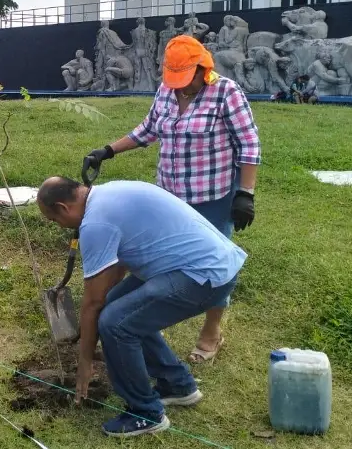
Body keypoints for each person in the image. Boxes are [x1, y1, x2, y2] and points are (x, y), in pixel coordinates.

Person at [85, 35, 260, 365]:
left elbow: (249, 145)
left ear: (202, 69)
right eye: (175, 79)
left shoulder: (226, 92)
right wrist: (108, 150)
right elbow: (148, 130)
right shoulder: (167, 91)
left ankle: (211, 331)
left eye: (187, 79)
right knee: (160, 259)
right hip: (169, 197)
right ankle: (149, 318)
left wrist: (245, 194)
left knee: (212, 266)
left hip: (213, 196)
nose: (181, 87)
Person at [37, 178, 246, 437]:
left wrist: (85, 361)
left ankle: (145, 413)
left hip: (203, 277)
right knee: (119, 308)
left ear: (63, 207)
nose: (59, 226)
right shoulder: (109, 193)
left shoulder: (95, 224)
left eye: (54, 220)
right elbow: (116, 270)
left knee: (115, 323)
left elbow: (93, 303)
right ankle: (176, 385)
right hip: (211, 262)